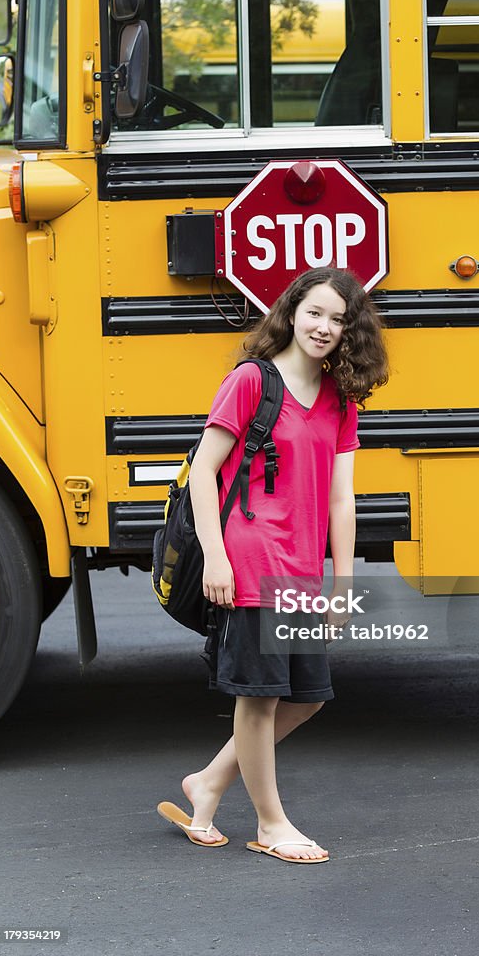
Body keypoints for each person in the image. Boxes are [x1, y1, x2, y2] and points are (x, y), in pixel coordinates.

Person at [158, 267, 389, 863]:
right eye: (315, 312)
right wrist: (216, 556)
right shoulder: (250, 381)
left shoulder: (340, 400)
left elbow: (342, 499)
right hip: (251, 559)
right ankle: (270, 824)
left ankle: (207, 782)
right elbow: (205, 472)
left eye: (339, 319)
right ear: (291, 312)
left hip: (302, 573)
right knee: (258, 699)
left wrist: (343, 582)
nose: (325, 327)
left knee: (306, 696)